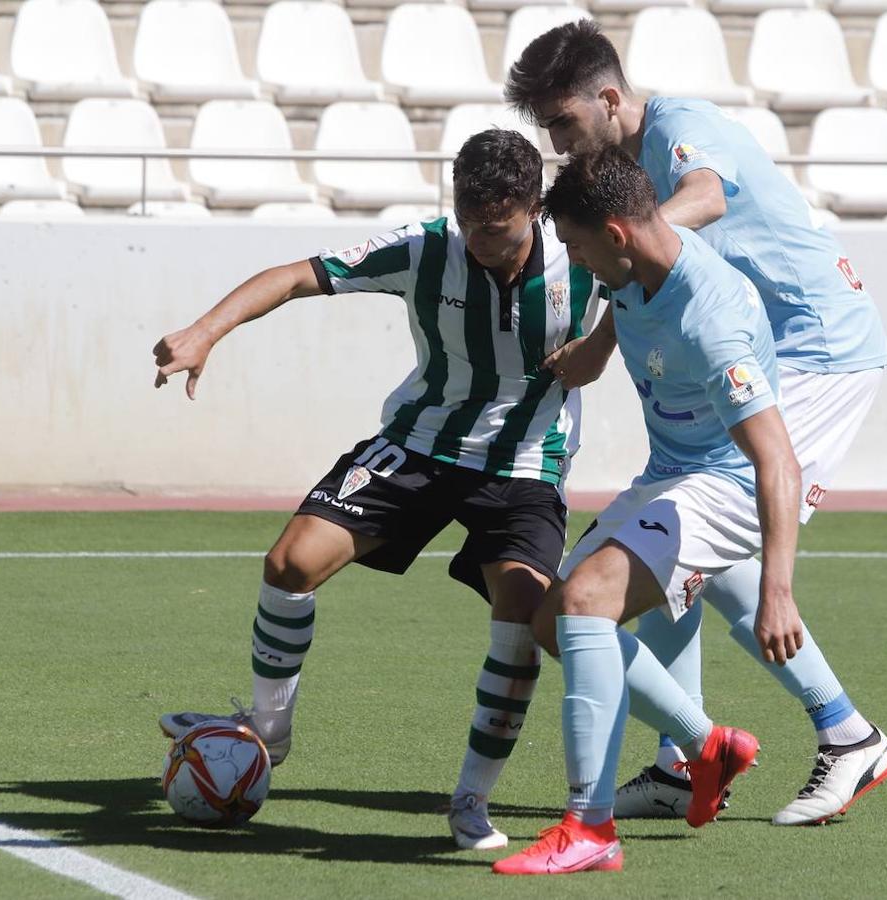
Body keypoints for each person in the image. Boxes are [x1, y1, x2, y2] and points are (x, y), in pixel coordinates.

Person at [151, 129, 604, 851]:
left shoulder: (581, 255)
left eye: (499, 230)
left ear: (533, 209)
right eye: (469, 224)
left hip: (525, 465)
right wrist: (207, 330)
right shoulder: (425, 247)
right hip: (418, 446)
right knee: (290, 564)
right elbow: (296, 275)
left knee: (521, 618)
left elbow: (656, 281)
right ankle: (270, 729)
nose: (481, 242)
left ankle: (470, 800)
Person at [504, 20, 887, 827]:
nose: (558, 144)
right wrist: (604, 341)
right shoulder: (621, 169)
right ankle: (686, 762)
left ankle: (846, 734)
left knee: (709, 525)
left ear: (609, 99)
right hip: (751, 345)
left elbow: (701, 205)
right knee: (680, 537)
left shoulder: (683, 131)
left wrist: (630, 242)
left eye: (564, 124)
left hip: (817, 349)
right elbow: (646, 265)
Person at [493, 147, 798, 876]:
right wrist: (595, 350)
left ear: (617, 234)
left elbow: (776, 458)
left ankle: (589, 826)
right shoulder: (636, 262)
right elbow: (622, 306)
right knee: (550, 620)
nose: (575, 260)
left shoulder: (712, 320)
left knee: (587, 602)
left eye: (576, 245)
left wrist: (777, 589)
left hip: (720, 487)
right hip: (668, 475)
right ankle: (708, 746)